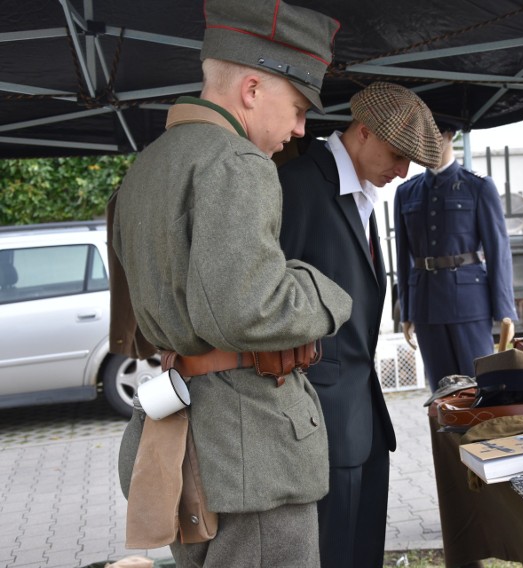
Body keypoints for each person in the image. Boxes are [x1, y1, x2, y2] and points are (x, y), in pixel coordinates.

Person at [109, 1, 353, 566]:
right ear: (250, 89)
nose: (299, 128)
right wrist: (325, 292)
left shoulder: (148, 167)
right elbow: (246, 309)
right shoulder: (236, 162)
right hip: (249, 450)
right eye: (296, 107)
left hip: (185, 435)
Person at [277, 81, 442, 568]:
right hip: (317, 425)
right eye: (397, 155)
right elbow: (270, 309)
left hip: (364, 424)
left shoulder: (362, 194)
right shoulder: (298, 187)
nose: (403, 171)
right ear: (363, 134)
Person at [394, 117, 517, 392]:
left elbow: (498, 249)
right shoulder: (406, 192)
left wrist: (504, 309)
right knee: (441, 394)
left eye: (432, 134)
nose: (423, 142)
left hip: (469, 303)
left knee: (480, 388)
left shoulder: (478, 187)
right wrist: (406, 310)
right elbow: (403, 257)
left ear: (450, 134)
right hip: (425, 304)